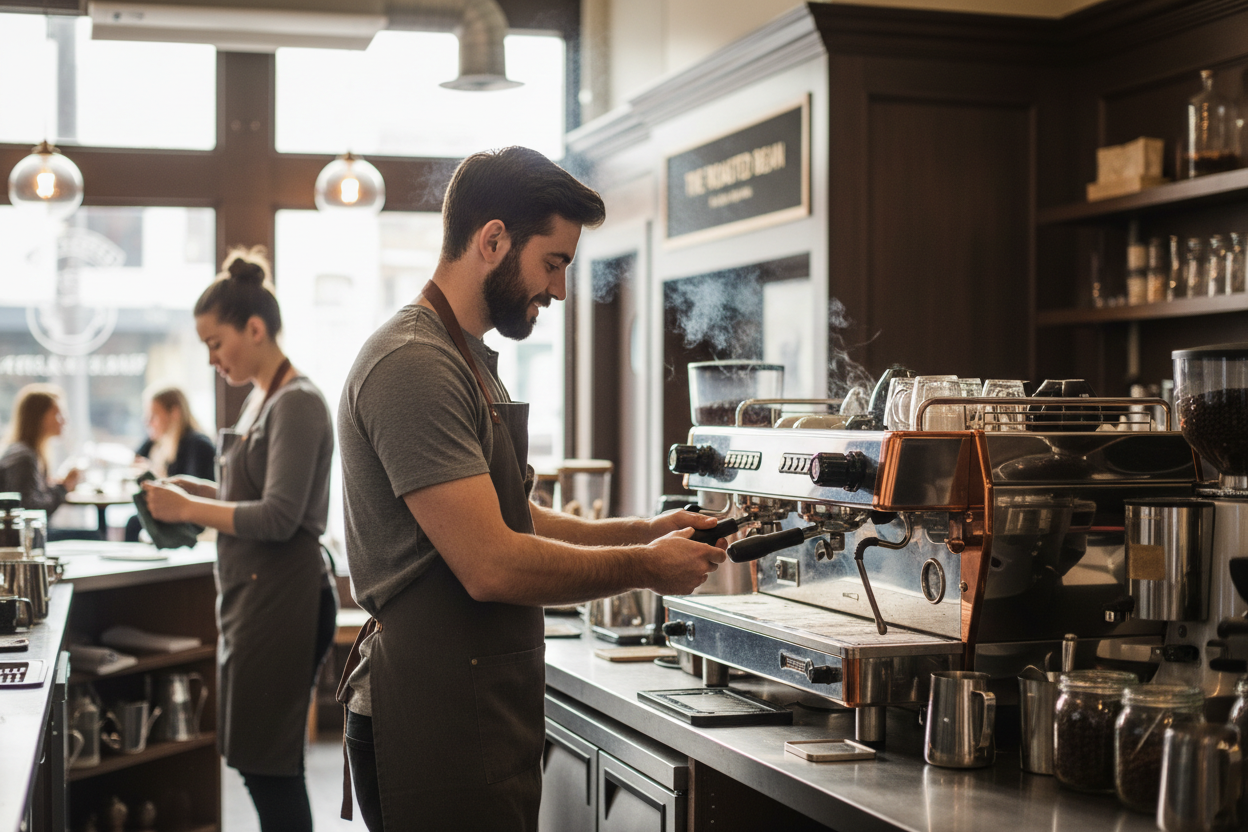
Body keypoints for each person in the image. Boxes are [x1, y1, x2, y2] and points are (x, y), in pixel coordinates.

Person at [335, 146, 727, 831]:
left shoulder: (466, 360)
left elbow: (514, 518)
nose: (560, 291)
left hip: (477, 702)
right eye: (553, 263)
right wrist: (645, 567)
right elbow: (490, 562)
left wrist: (644, 531)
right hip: (430, 716)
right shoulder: (415, 364)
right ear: (492, 241)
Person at [143, 248, 338, 832]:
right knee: (258, 760)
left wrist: (189, 508)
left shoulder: (297, 403)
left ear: (255, 329)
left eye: (216, 342)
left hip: (286, 599)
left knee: (270, 765)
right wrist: (195, 489)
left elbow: (279, 516)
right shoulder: (261, 397)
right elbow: (250, 493)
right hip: (257, 598)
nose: (211, 358)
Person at [126, 385, 215, 542]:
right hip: (179, 513)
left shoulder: (197, 444)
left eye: (153, 416)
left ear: (174, 413)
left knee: (134, 523)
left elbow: (194, 494)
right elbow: (136, 458)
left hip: (195, 520)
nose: (147, 422)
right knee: (135, 521)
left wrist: (154, 473)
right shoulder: (163, 441)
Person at [0, 383, 84, 520]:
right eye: (58, 414)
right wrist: (63, 487)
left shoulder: (25, 452)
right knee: (96, 532)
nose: (64, 420)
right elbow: (30, 509)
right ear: (37, 417)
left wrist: (54, 487)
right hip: (20, 532)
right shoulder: (23, 457)